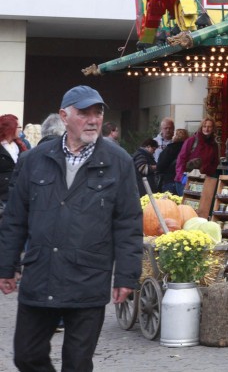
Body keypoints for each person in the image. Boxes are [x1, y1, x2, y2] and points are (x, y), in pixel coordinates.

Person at [0, 85, 142, 372]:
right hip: (41, 275)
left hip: (88, 278)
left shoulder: (119, 162)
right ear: (64, 116)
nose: (93, 120)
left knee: (77, 364)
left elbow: (128, 222)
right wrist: (6, 266)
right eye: (84, 113)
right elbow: (15, 218)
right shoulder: (34, 160)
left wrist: (126, 276)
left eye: (97, 113)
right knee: (26, 355)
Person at [0, 115, 29, 208]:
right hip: (3, 197)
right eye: (18, 127)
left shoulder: (22, 145)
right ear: (10, 128)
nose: (20, 130)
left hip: (19, 194)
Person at [156, 128, 187, 193]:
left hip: (170, 179)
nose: (172, 136)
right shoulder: (188, 149)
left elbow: (161, 166)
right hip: (184, 180)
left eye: (174, 135)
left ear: (176, 137)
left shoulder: (170, 148)